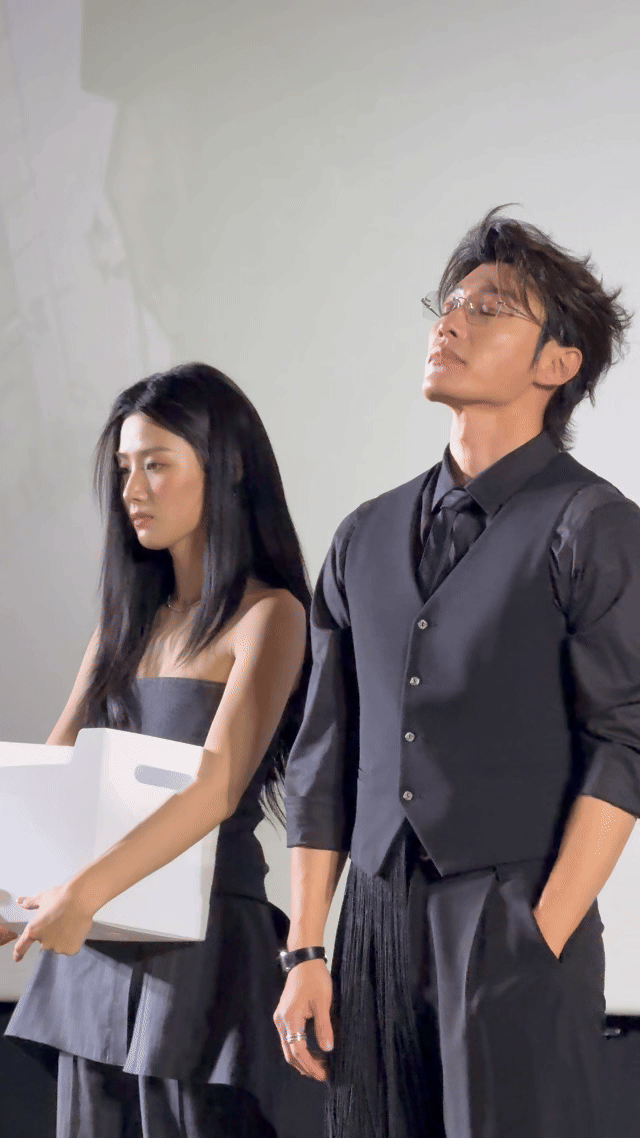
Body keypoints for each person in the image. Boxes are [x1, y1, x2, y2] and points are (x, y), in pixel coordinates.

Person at [275, 206, 640, 1138]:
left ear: (558, 363)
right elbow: (325, 757)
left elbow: (624, 741)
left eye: (491, 308)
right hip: (371, 919)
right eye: (450, 303)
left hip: (513, 912)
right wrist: (307, 948)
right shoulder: (364, 534)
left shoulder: (591, 524)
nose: (452, 321)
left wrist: (544, 929)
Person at [2, 362, 325, 1138]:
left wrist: (82, 893)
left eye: (156, 464)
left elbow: (216, 787)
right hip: (96, 951)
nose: (132, 490)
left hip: (203, 952)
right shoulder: (124, 625)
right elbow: (56, 768)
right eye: (123, 468)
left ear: (228, 467)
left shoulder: (271, 615)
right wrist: (17, 896)